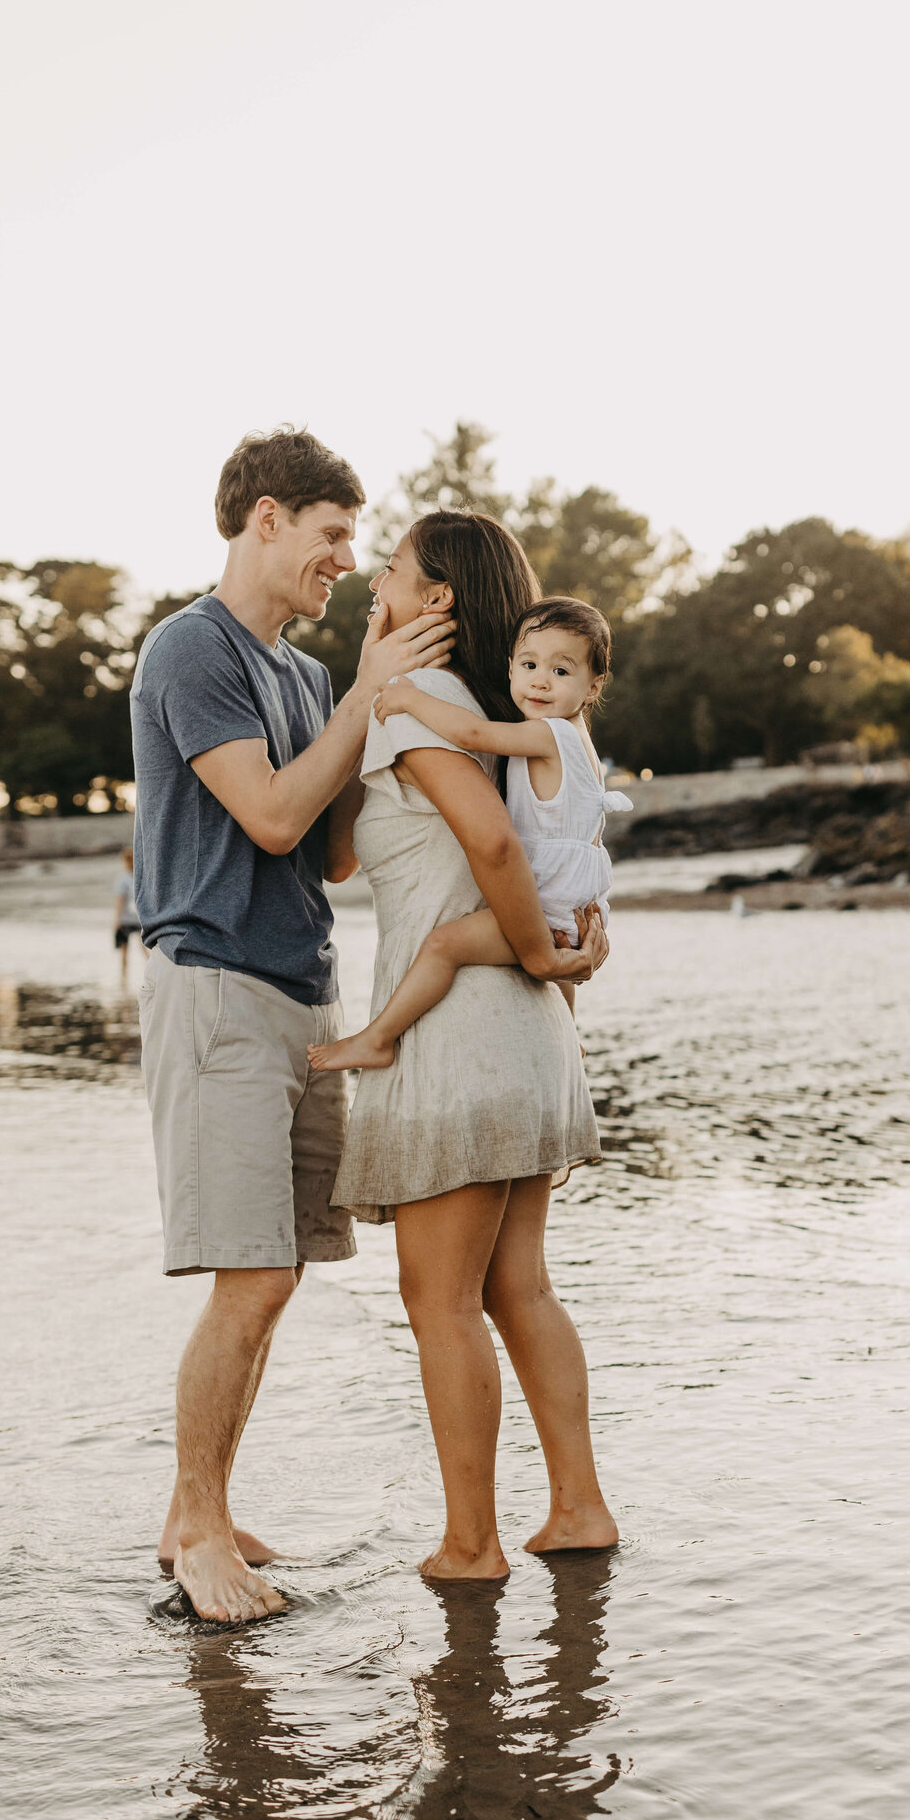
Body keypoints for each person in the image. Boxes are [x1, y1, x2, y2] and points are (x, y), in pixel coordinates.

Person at [130, 426, 461, 1625]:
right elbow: (269, 814)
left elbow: (324, 845)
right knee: (251, 1272)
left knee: (274, 1280)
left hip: (300, 988)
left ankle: (194, 1507)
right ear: (265, 518)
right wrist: (366, 692)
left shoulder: (301, 675)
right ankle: (201, 1530)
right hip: (215, 986)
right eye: (331, 539)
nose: (342, 562)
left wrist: (393, 723)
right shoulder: (190, 649)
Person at [324, 512, 618, 1581]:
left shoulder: (432, 703)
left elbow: (493, 841)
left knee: (437, 1297)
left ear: (437, 596)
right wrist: (364, 687)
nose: (371, 578)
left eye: (390, 568)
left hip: (463, 1031)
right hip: (520, 1033)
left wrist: (541, 956)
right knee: (517, 1287)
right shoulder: (480, 706)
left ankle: (469, 1544)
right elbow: (345, 854)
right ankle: (577, 1508)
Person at [306, 595, 632, 1072]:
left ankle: (377, 1038)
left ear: (593, 685)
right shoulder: (580, 743)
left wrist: (411, 699)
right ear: (510, 665)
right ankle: (570, 1033)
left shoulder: (549, 735)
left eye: (561, 672)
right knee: (554, 971)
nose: (541, 679)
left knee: (444, 946)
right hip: (572, 904)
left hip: (546, 902)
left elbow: (474, 735)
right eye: (529, 664)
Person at [112, 845, 144, 986]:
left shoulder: (123, 879)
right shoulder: (140, 876)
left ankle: (123, 979)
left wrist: (116, 920)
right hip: (138, 918)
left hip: (127, 919)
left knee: (126, 952)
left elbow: (119, 901)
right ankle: (125, 978)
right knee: (143, 949)